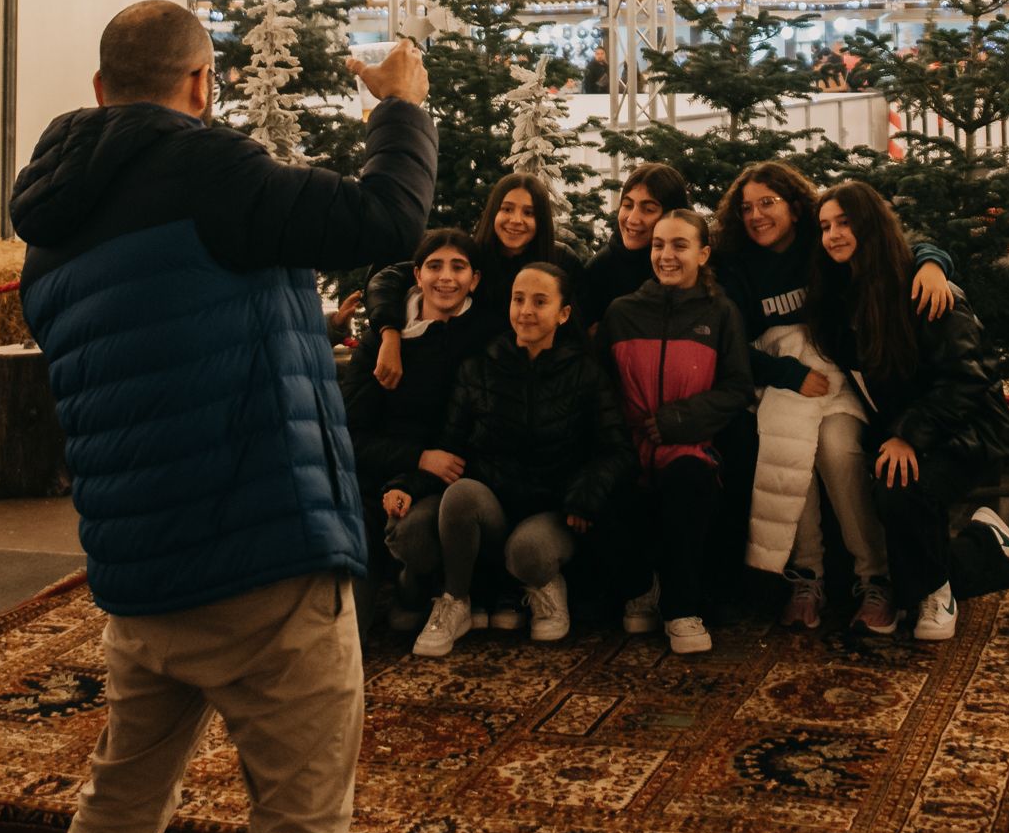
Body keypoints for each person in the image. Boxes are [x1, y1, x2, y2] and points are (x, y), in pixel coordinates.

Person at [15, 1, 434, 833]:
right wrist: (402, 108)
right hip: (264, 552)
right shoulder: (207, 167)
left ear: (99, 91)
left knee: (121, 805)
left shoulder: (49, 234)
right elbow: (387, 216)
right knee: (298, 827)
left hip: (140, 570)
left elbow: (157, 333)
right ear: (202, 85)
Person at [716, 161, 958, 629]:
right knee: (787, 450)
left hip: (837, 378)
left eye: (768, 203)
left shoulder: (820, 240)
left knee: (838, 450)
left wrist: (932, 262)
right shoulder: (736, 262)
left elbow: (887, 244)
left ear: (793, 205)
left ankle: (876, 578)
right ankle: (808, 575)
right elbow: (731, 344)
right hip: (781, 380)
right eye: (746, 208)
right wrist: (785, 373)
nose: (756, 215)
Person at [809, 183, 1009, 641]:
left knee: (899, 488)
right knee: (888, 504)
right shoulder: (842, 290)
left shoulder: (925, 290)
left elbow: (967, 379)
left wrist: (909, 435)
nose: (833, 234)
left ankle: (941, 587)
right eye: (825, 226)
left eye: (844, 222)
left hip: (966, 430)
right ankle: (984, 542)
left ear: (870, 224)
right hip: (909, 427)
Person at [398, 259, 630, 655]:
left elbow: (616, 449)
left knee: (529, 553)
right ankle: (456, 601)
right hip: (492, 506)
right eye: (518, 299)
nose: (525, 311)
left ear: (563, 313)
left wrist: (585, 494)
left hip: (551, 509)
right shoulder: (479, 368)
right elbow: (449, 445)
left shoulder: (585, 373)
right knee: (461, 495)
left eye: (539, 302)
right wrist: (404, 486)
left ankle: (545, 585)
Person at [595, 211, 754, 656]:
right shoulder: (622, 312)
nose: (666, 255)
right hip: (628, 445)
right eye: (658, 245)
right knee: (613, 487)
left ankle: (682, 607)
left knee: (690, 481)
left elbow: (738, 387)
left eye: (680, 245)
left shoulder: (721, 313)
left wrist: (678, 420)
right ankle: (643, 587)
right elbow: (600, 386)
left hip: (689, 446)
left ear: (703, 254)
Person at [347, 231, 485, 632]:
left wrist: (415, 478)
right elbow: (350, 435)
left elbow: (468, 433)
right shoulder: (380, 340)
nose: (446, 278)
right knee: (347, 638)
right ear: (417, 275)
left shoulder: (480, 338)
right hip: (371, 482)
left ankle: (413, 585)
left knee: (415, 539)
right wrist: (413, 460)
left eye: (458, 267)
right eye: (435, 266)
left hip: (435, 483)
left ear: (474, 280)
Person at [362, 171, 565, 389]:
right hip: (475, 381)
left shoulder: (560, 260)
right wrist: (390, 332)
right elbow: (388, 279)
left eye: (529, 212)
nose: (516, 220)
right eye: (506, 209)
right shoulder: (468, 258)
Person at [579, 163, 689, 320]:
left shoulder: (692, 265)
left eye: (648, 209)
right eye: (627, 205)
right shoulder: (600, 270)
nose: (632, 219)